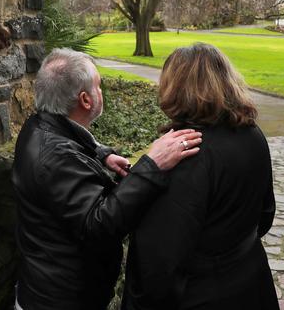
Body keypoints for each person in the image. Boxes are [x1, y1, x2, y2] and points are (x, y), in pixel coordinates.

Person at [12, 48, 202, 310]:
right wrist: (152, 165)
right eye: (98, 87)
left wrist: (101, 155)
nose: (102, 92)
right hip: (62, 300)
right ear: (85, 100)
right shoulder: (55, 158)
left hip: (49, 289)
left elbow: (68, 140)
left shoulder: (38, 125)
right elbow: (98, 225)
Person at [121, 43, 279, 310]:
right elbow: (265, 215)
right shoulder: (252, 134)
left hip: (202, 296)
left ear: (175, 86)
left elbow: (159, 264)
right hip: (250, 282)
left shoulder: (186, 153)